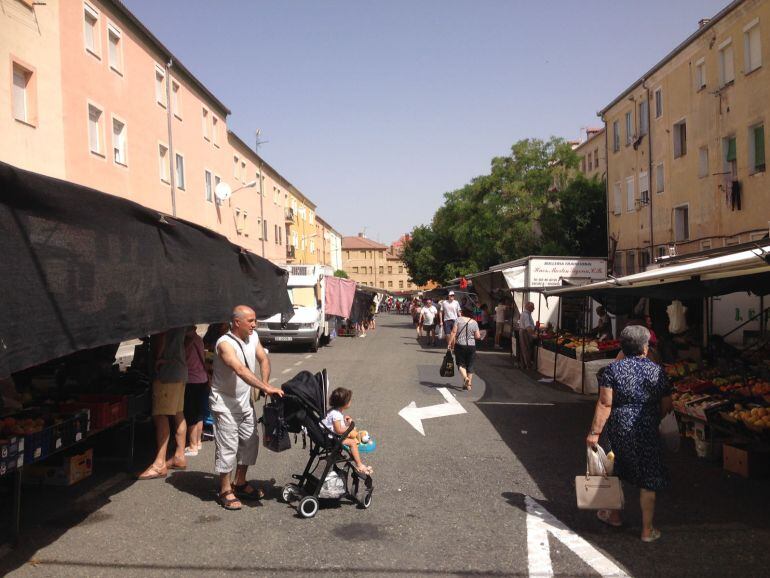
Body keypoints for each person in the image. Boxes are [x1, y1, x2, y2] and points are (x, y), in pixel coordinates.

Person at [586, 325, 672, 543]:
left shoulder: (612, 370)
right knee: (648, 476)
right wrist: (654, 418)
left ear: (622, 347)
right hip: (647, 425)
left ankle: (614, 516)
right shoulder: (658, 371)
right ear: (645, 347)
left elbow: (605, 404)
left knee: (614, 469)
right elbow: (666, 404)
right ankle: (647, 530)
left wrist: (595, 433)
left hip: (619, 425)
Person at [210, 305, 284, 511]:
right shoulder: (224, 344)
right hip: (225, 404)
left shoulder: (253, 337)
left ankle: (240, 482)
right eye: (250, 321)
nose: (254, 324)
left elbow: (263, 358)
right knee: (228, 447)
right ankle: (225, 490)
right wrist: (266, 388)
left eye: (255, 320)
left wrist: (264, 383)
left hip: (245, 402)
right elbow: (240, 369)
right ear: (237, 322)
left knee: (250, 442)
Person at [138, 327, 189, 480]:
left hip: (167, 371)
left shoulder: (163, 318)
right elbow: (190, 335)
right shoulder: (180, 318)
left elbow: (160, 335)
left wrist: (158, 357)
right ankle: (179, 456)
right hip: (180, 369)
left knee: (160, 415)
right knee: (178, 413)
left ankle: (159, 464)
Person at [322, 387, 373, 475]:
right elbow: (338, 430)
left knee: (351, 434)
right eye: (349, 400)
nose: (350, 401)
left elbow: (335, 425)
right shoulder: (336, 415)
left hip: (327, 434)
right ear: (344, 403)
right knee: (352, 443)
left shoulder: (333, 411)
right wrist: (349, 428)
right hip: (332, 438)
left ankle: (358, 441)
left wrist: (345, 423)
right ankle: (359, 465)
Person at [183, 326, 209, 457]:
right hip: (202, 378)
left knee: (190, 413)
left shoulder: (187, 341)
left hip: (191, 380)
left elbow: (182, 357)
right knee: (199, 413)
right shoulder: (198, 339)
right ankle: (198, 442)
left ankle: (192, 446)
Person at [448, 306, 482, 390]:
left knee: (460, 363)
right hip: (471, 346)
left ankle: (466, 378)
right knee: (470, 364)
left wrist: (449, 343)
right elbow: (477, 336)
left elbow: (453, 332)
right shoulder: (474, 322)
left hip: (460, 345)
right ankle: (468, 385)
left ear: (463, 312)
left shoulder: (458, 320)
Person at [518, 302, 536, 369]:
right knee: (526, 349)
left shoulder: (527, 314)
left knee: (524, 348)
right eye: (532, 307)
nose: (534, 308)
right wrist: (533, 334)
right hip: (525, 332)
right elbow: (528, 327)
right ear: (528, 307)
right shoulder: (526, 314)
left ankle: (524, 364)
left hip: (524, 332)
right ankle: (528, 365)